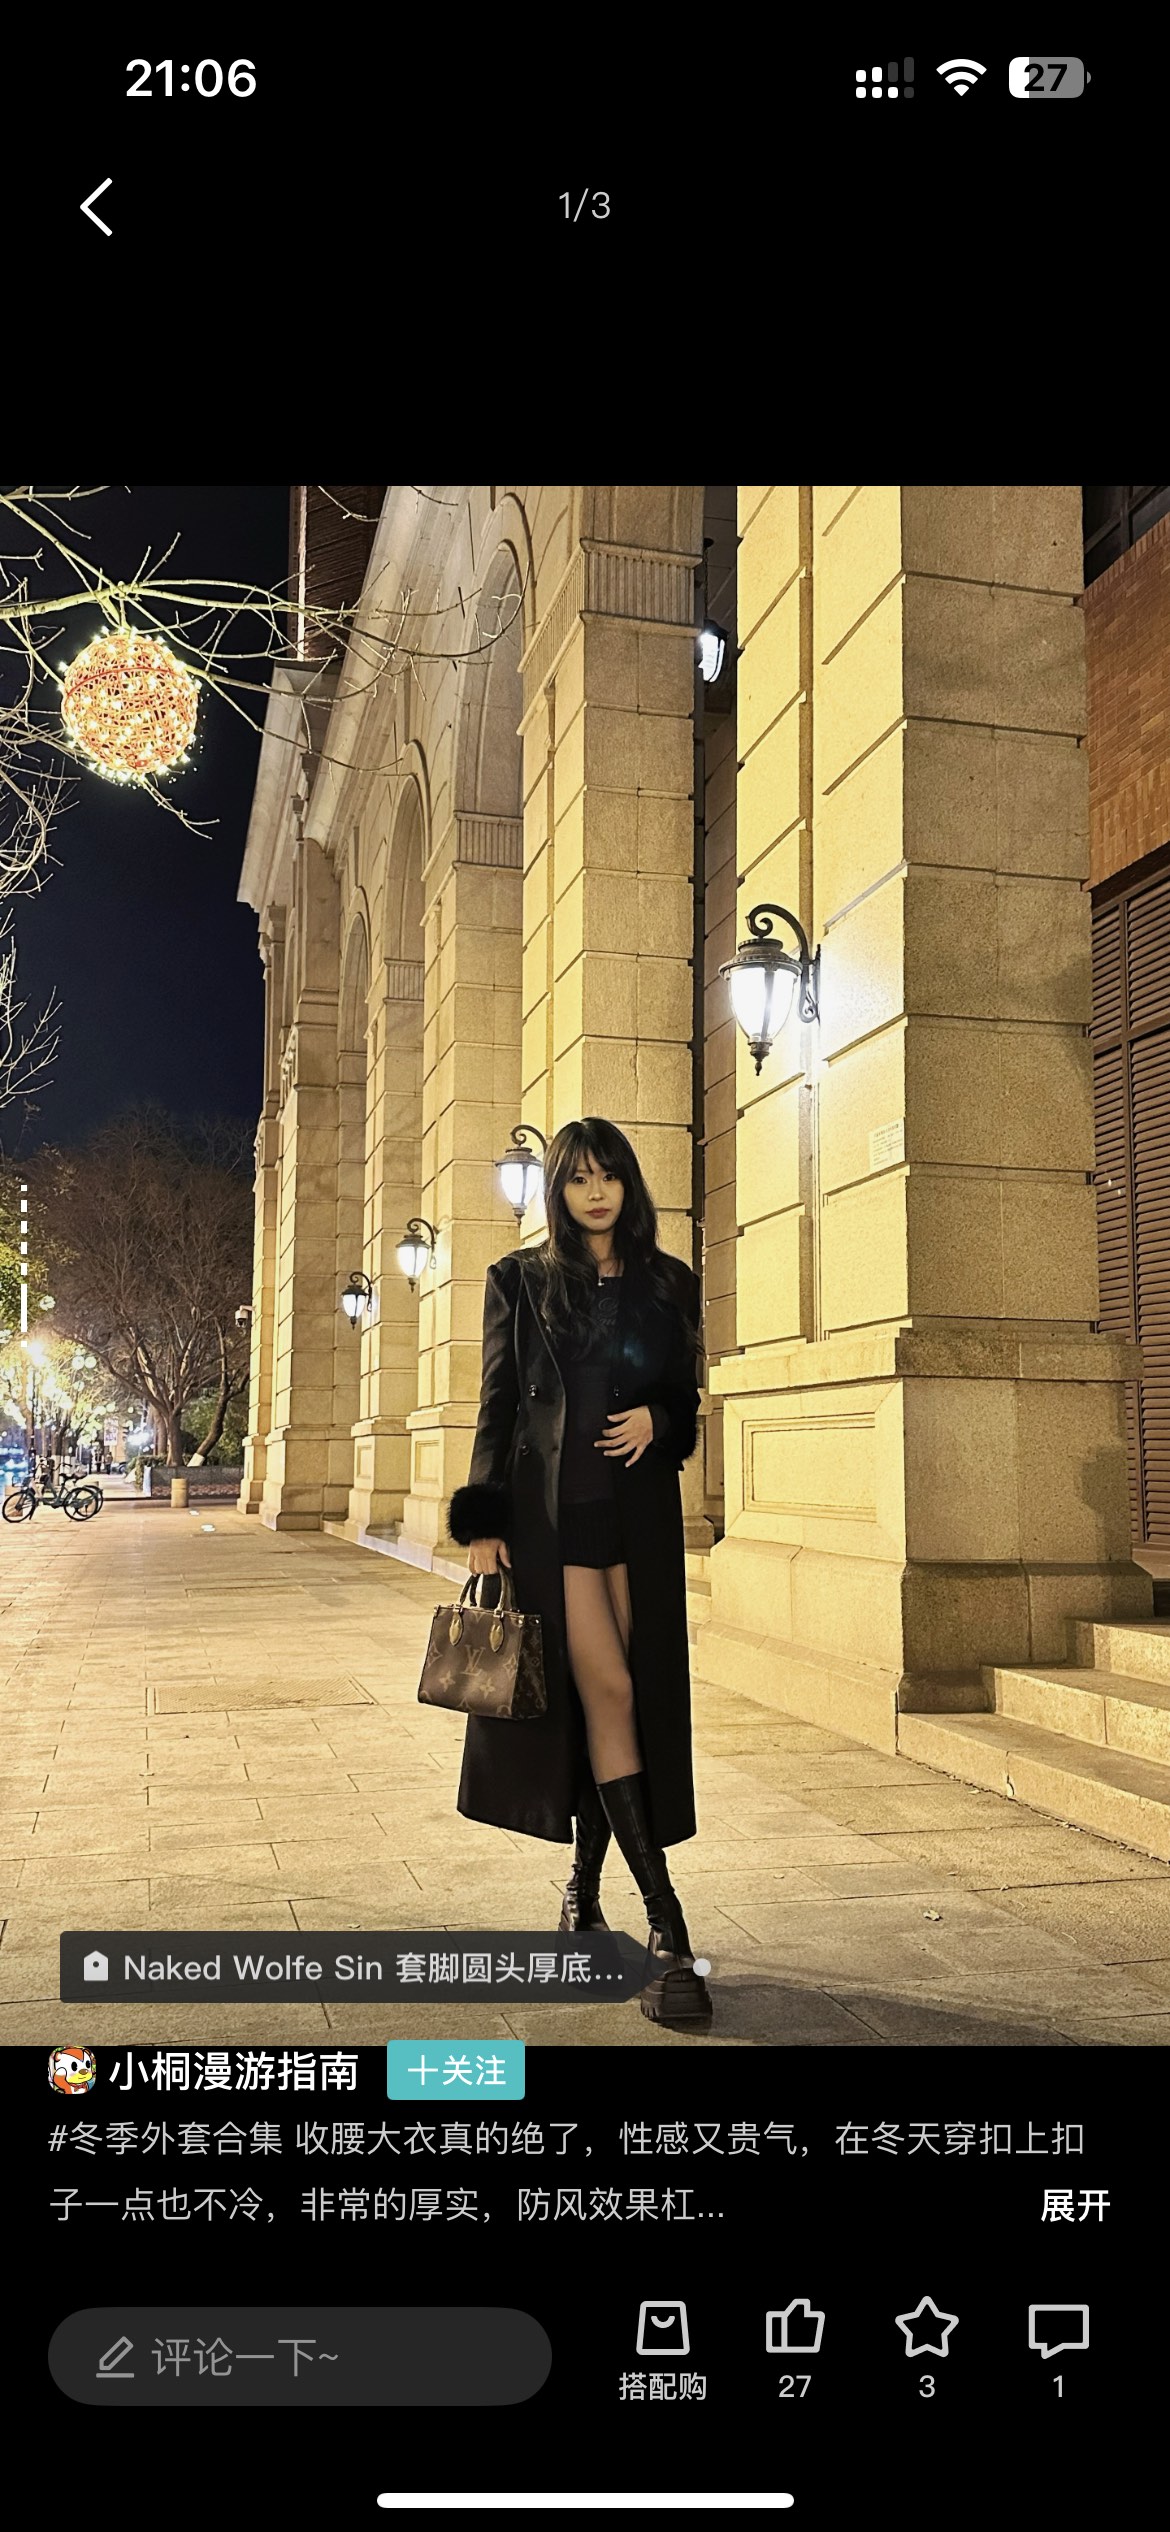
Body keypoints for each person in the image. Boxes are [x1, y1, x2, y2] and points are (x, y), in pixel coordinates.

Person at [448, 1117, 712, 2030]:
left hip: (635, 1521)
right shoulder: (520, 1281)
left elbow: (682, 1395)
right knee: (608, 1691)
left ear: (629, 1186)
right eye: (578, 1179)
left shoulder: (668, 1282)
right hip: (552, 1524)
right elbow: (496, 1403)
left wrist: (660, 1422)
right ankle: (668, 1929)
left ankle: (581, 1897)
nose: (595, 1193)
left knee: (624, 1707)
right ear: (558, 1192)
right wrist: (483, 1521)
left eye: (609, 1177)